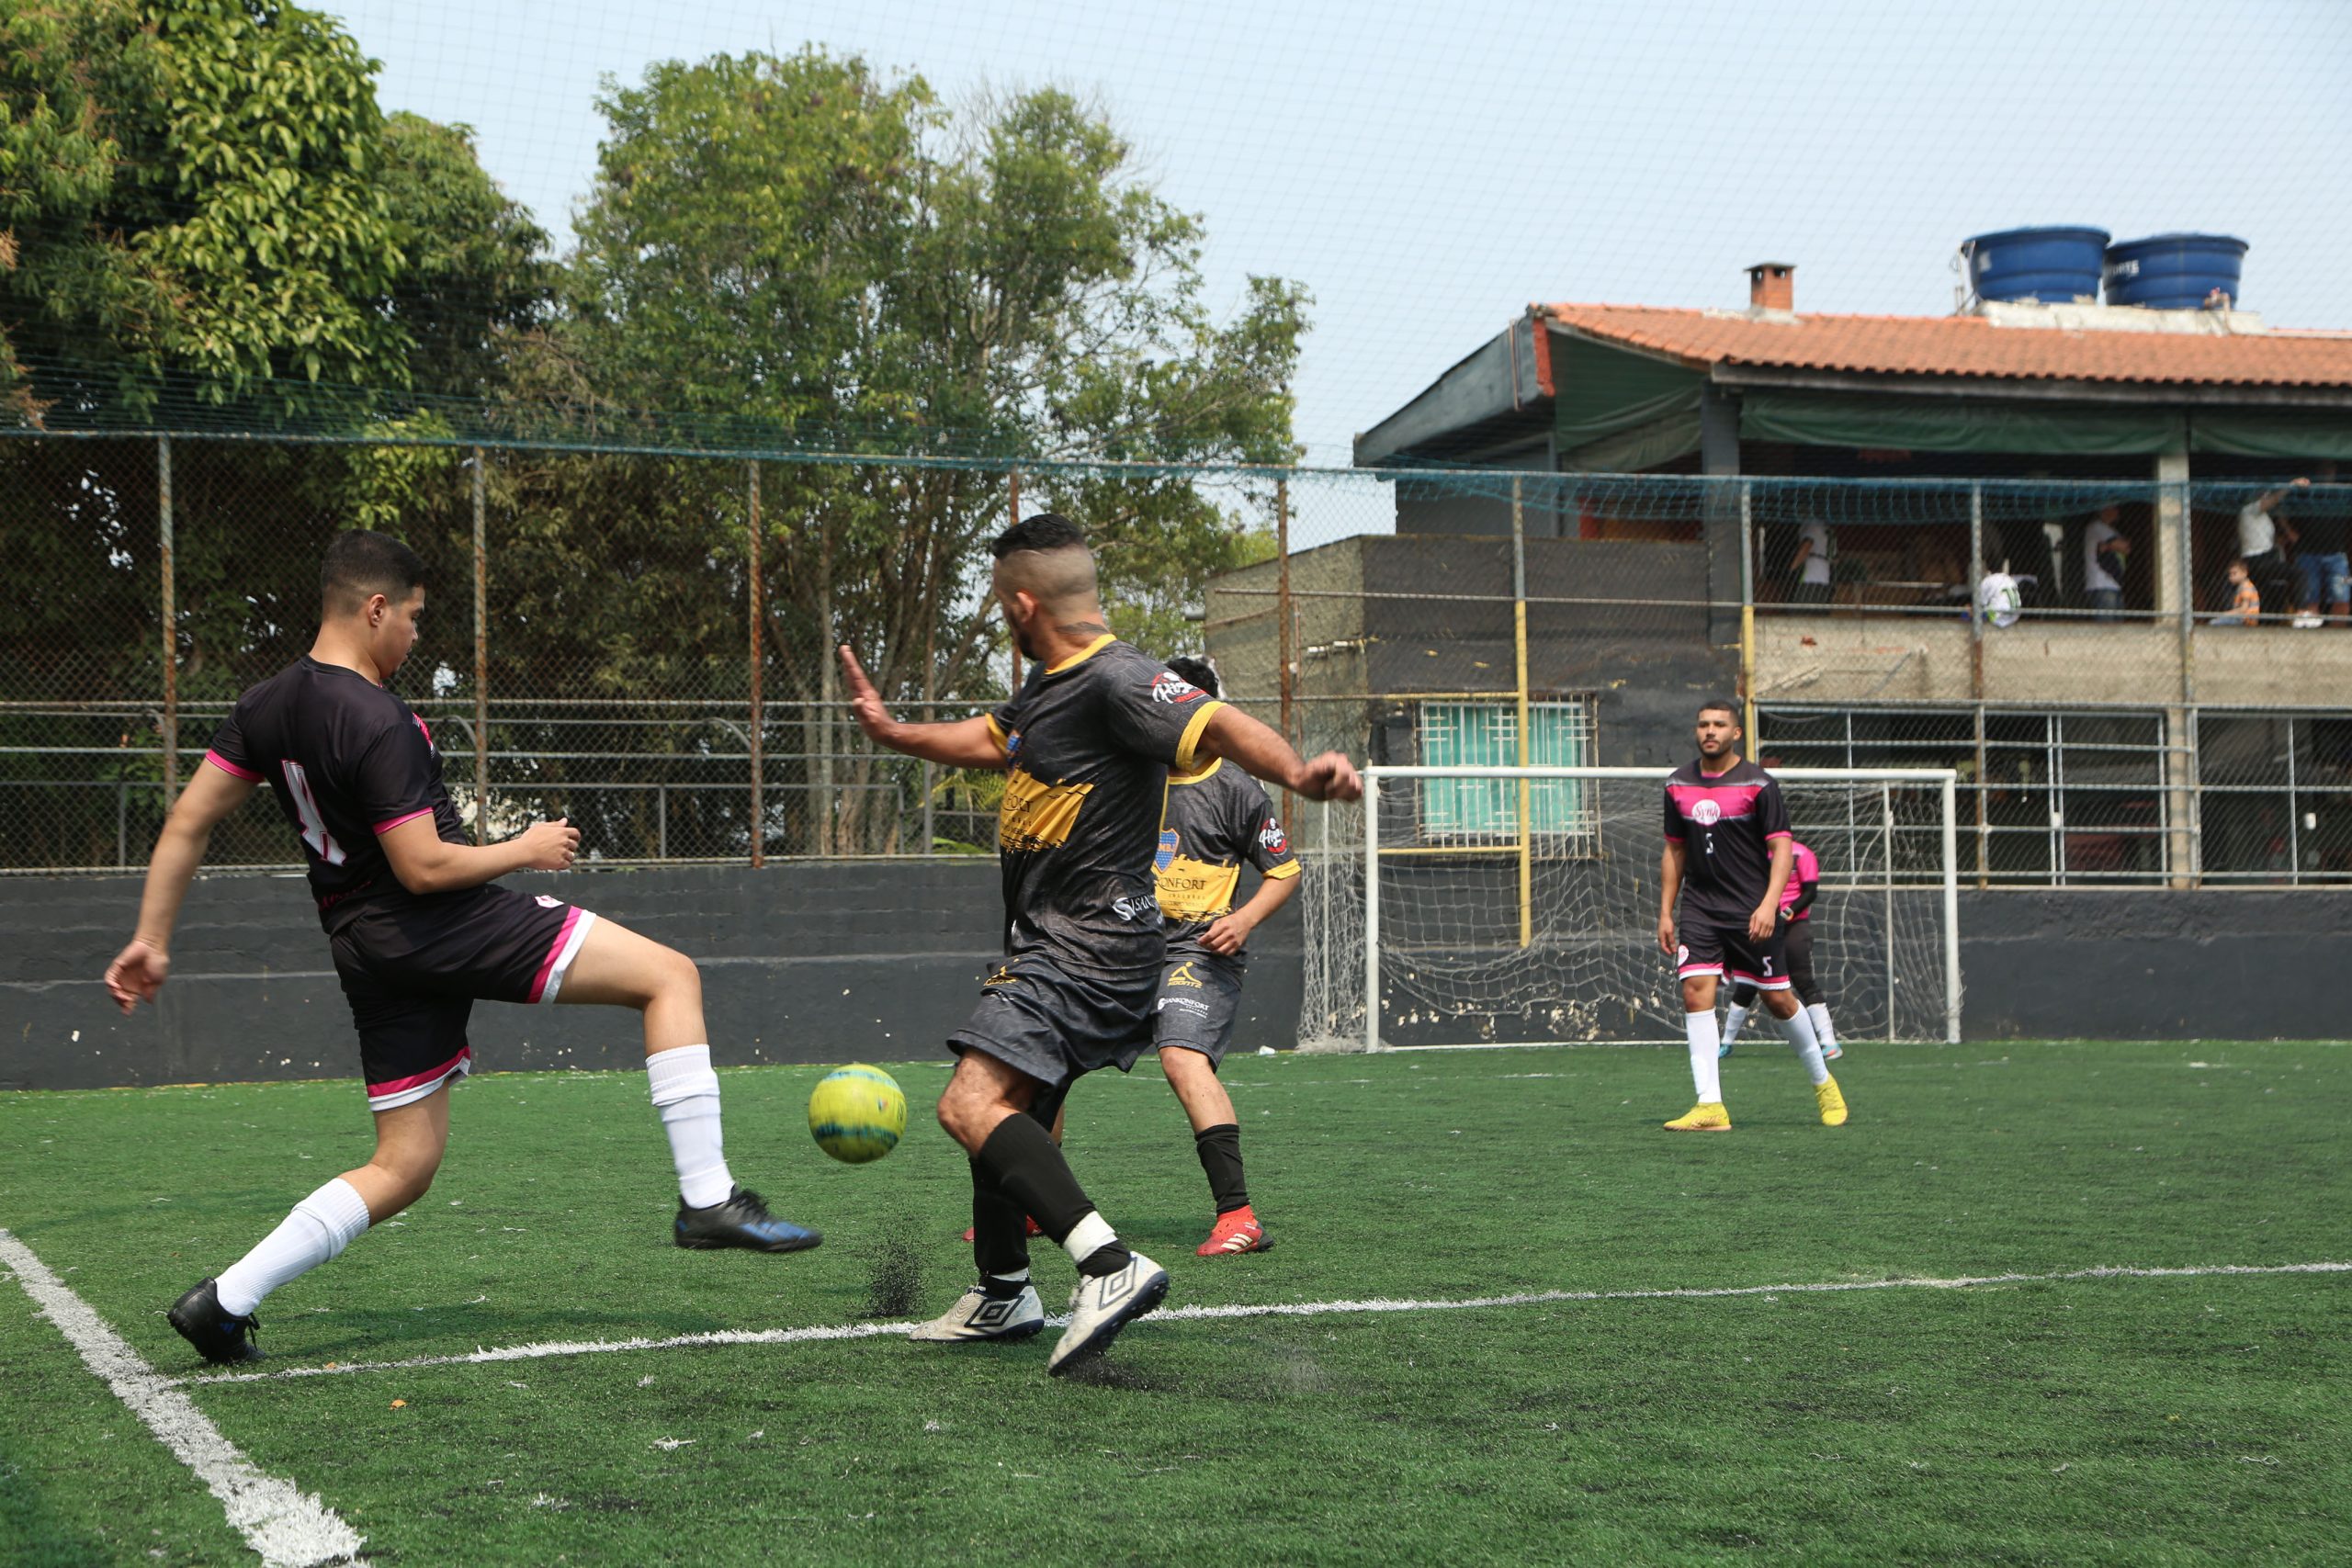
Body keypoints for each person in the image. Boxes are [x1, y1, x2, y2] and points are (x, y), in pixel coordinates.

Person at [106, 532, 816, 1367]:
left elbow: (187, 820)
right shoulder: (377, 718)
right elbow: (425, 865)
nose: (414, 636)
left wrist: (151, 938)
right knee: (670, 977)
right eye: (411, 618)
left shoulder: (265, 705)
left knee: (405, 1165)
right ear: (375, 609)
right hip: (437, 923)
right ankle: (708, 1199)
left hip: (364, 947)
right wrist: (527, 845)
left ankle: (224, 1301)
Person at [837, 513, 1359, 1375]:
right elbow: (989, 740)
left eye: (999, 603)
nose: (999, 617)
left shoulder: (1120, 678)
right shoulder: (1048, 686)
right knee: (1015, 1103)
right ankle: (1002, 1290)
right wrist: (895, 734)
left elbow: (1219, 723)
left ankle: (1107, 1266)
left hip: (1091, 944)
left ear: (1022, 601)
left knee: (969, 1103)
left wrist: (1298, 773)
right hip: (1055, 938)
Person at [1131, 655, 1300, 1257]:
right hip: (1126, 946)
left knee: (1180, 1057)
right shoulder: (1131, 776)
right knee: (1050, 1050)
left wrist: (1243, 918)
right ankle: (1027, 1208)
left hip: (1199, 950)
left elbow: (1283, 871)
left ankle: (1238, 1217)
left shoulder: (1236, 788)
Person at [1655, 700, 1845, 1133]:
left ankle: (1823, 1082)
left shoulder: (1759, 784)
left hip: (1751, 908)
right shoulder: (1677, 784)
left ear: (1735, 733)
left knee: (1778, 999)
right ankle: (1710, 1106)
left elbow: (1781, 849)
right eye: (1703, 724)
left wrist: (1768, 904)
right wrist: (1666, 911)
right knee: (1695, 992)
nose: (1710, 731)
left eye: (1720, 725)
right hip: (1701, 908)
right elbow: (1675, 849)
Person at [1718, 837, 1839, 1062]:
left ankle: (1829, 1042)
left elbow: (1810, 892)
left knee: (1802, 980)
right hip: (1763, 925)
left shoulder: (1802, 854)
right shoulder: (1756, 855)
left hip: (1794, 926)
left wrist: (1786, 914)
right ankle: (1725, 1043)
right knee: (1747, 983)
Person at [2237, 477, 2306, 618]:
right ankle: (2300, 611)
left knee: (2269, 593)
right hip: (2257, 560)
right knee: (2299, 573)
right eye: (2264, 495)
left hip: (2266, 557)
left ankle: (2266, 622)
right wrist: (2290, 486)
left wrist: (2284, 535)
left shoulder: (2262, 517)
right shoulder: (2250, 509)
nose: (2266, 498)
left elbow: (2265, 539)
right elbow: (2273, 501)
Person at [2290, 463, 2346, 628]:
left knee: (2342, 596)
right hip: (2308, 551)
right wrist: (2288, 533)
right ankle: (2312, 637)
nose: (2327, 473)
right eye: (2323, 469)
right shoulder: (2306, 491)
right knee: (2310, 597)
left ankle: (2337, 639)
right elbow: (2283, 509)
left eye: (2330, 469)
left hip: (2336, 553)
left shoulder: (2342, 492)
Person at [2083, 505, 2128, 620]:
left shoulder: (2112, 531)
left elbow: (2127, 548)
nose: (2117, 511)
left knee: (2118, 629)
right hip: (2102, 584)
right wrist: (2112, 545)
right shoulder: (2097, 526)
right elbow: (2122, 545)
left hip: (2115, 584)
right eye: (2113, 508)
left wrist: (2108, 546)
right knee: (2106, 629)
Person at [1789, 518, 1834, 604]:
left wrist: (1792, 568)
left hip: (1810, 576)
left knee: (1800, 609)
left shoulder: (1811, 524)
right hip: (1825, 576)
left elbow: (1807, 545)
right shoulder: (1825, 527)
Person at [2211, 559, 2263, 626]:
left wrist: (2227, 614)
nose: (2231, 577)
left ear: (2244, 573)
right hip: (2241, 618)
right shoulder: (2241, 587)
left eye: (2234, 573)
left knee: (2213, 623)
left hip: (2246, 620)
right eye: (2230, 574)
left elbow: (2244, 609)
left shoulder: (2246, 587)